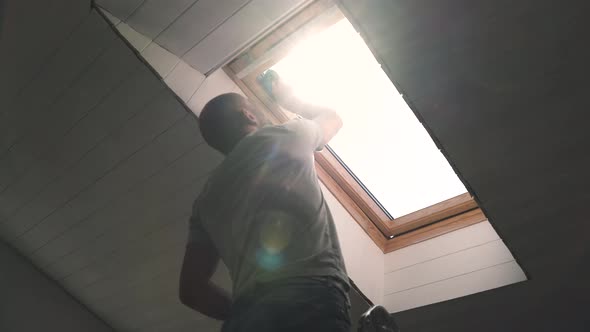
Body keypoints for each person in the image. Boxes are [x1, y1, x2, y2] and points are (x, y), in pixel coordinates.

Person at [178, 71, 351, 331]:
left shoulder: (205, 201)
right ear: (248, 115)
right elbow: (332, 119)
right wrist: (286, 96)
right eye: (254, 108)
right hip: (308, 296)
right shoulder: (284, 135)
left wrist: (247, 315)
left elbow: (191, 290)